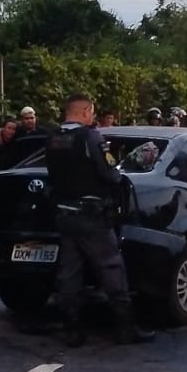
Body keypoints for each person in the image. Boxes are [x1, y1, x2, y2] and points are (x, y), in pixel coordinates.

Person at [42, 93, 151, 346]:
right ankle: (125, 328)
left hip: (64, 212)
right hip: (91, 214)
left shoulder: (53, 137)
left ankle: (72, 330)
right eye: (91, 112)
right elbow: (110, 173)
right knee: (111, 266)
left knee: (69, 272)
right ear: (85, 111)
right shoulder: (90, 137)